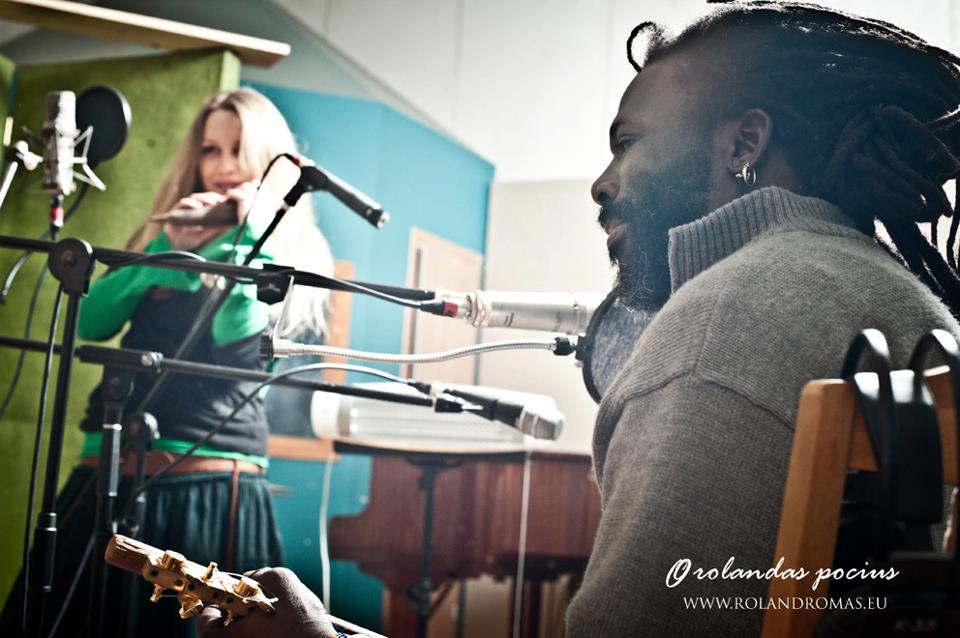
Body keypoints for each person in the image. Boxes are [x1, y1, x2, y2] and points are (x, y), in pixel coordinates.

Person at [196, 2, 960, 637]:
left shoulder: (724, 323)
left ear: (744, 144)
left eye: (628, 144)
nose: (601, 182)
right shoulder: (913, 308)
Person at [0, 87, 333, 638]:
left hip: (211, 479)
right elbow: (91, 320)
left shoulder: (294, 251)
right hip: (109, 465)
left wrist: (250, 235)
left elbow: (235, 340)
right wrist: (166, 253)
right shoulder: (168, 234)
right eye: (210, 150)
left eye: (239, 149)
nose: (223, 166)